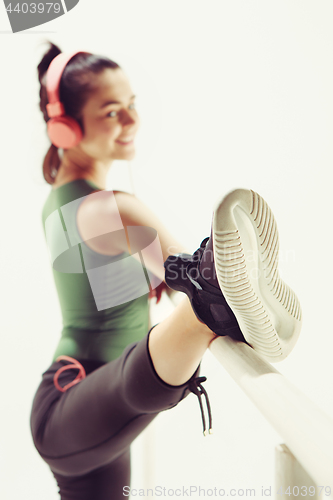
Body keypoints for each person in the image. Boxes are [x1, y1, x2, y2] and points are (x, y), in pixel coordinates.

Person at [29, 42, 302, 500]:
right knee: (203, 289)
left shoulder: (62, 198)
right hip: (79, 398)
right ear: (64, 128)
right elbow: (183, 273)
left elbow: (144, 278)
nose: (132, 121)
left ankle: (218, 304)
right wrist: (198, 282)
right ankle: (212, 311)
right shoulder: (106, 208)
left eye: (132, 105)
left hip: (79, 407)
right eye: (112, 112)